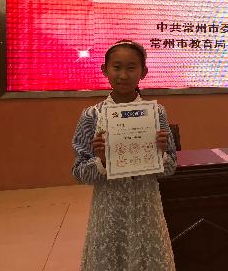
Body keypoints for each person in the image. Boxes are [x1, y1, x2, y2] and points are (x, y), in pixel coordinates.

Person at [72, 39, 177, 271]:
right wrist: (102, 161)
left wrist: (161, 154)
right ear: (104, 70)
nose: (123, 75)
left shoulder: (156, 114)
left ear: (143, 72)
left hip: (146, 208)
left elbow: (170, 167)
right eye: (116, 67)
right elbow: (78, 172)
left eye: (131, 68)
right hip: (109, 209)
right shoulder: (92, 116)